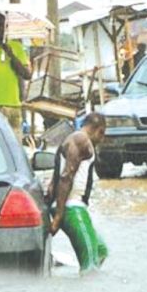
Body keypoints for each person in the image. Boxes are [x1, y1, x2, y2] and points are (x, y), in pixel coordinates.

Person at [49, 113, 108, 272]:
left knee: (101, 251)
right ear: (99, 130)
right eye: (102, 134)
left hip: (74, 207)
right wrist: (59, 216)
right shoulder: (80, 140)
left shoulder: (76, 139)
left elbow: (55, 178)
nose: (102, 140)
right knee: (90, 267)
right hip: (71, 207)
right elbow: (66, 176)